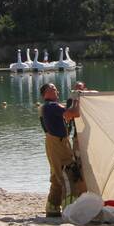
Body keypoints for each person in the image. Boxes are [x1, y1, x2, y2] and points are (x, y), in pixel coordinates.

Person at [39, 82, 82, 217]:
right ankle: (69, 208)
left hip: (55, 142)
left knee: (56, 176)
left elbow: (66, 112)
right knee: (67, 173)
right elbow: (74, 113)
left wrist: (72, 101)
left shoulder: (49, 107)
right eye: (52, 89)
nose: (56, 91)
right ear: (45, 93)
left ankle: (52, 208)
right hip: (57, 143)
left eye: (56, 89)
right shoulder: (51, 106)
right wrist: (77, 100)